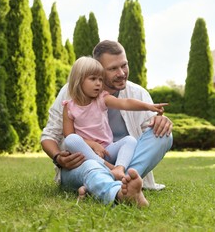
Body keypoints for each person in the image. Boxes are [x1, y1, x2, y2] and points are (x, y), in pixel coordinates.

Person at [41, 40, 173, 207]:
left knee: (162, 135)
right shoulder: (70, 93)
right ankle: (120, 191)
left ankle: (110, 182)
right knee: (89, 164)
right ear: (97, 69)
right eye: (112, 69)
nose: (121, 73)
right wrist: (58, 157)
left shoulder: (137, 93)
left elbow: (149, 128)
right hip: (83, 162)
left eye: (124, 65)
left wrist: (161, 121)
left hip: (121, 160)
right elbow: (49, 136)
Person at [62, 56, 167, 185]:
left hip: (107, 150)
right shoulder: (69, 106)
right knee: (71, 140)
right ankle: (110, 169)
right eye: (93, 79)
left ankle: (119, 168)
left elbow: (125, 103)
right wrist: (93, 145)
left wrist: (148, 106)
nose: (98, 83)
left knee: (129, 140)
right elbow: (69, 134)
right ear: (78, 80)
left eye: (100, 79)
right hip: (87, 154)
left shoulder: (102, 99)